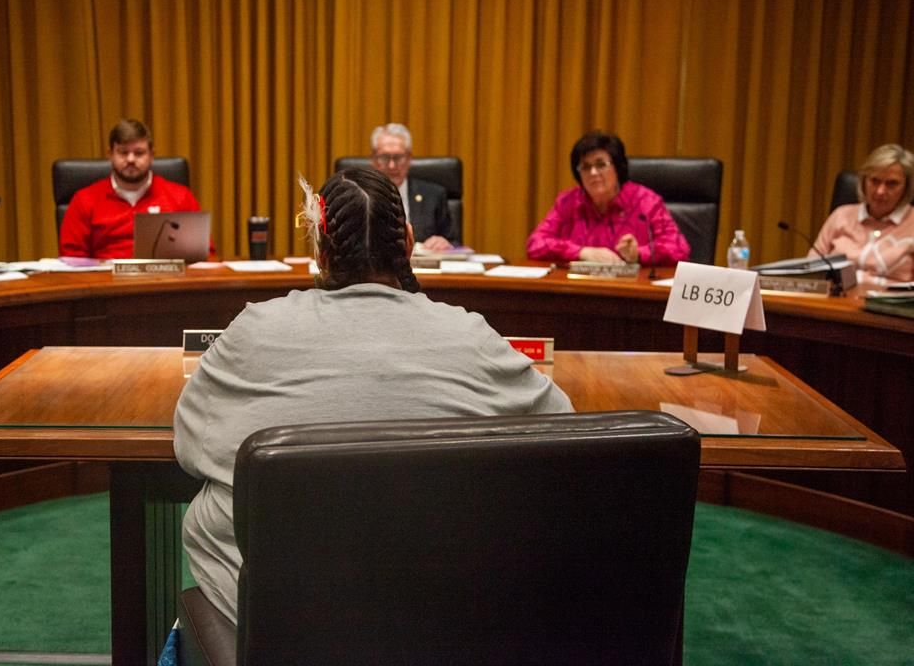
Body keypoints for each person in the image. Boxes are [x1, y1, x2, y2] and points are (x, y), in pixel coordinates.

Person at [173, 167, 573, 625]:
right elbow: (562, 430)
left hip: (279, 626)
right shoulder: (470, 335)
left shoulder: (253, 330)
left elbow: (189, 444)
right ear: (407, 242)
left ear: (320, 252)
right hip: (443, 621)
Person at [526, 131, 689, 266]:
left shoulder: (646, 202)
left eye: (601, 164)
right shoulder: (568, 202)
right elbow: (535, 244)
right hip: (578, 292)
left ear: (617, 167)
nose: (593, 173)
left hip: (631, 294)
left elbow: (679, 249)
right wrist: (582, 252)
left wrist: (638, 254)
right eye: (586, 167)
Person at [59, 119, 202, 259]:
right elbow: (72, 261)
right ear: (110, 155)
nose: (131, 159)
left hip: (164, 280)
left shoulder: (181, 197)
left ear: (152, 156)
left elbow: (203, 257)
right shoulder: (85, 200)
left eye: (139, 153)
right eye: (123, 152)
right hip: (106, 280)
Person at [811, 144, 914, 283]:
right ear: (863, 181)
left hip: (889, 303)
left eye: (892, 184)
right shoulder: (841, 216)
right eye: (874, 181)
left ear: (907, 188)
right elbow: (810, 270)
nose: (880, 191)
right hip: (834, 301)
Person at [369, 123, 454, 250]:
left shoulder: (434, 195)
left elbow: (454, 242)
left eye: (398, 157)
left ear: (409, 159)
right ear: (373, 160)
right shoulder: (358, 195)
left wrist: (445, 243)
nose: (392, 165)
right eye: (384, 157)